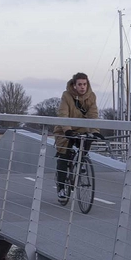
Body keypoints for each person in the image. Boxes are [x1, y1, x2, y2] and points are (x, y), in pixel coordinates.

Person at [54, 72, 104, 200]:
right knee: (64, 156)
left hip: (81, 129)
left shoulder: (91, 97)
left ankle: (81, 161)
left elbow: (93, 114)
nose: (83, 87)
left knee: (88, 139)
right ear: (74, 85)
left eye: (85, 84)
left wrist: (96, 131)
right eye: (80, 84)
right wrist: (67, 130)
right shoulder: (66, 96)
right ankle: (61, 188)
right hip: (64, 130)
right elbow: (63, 114)